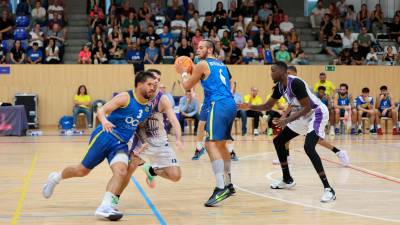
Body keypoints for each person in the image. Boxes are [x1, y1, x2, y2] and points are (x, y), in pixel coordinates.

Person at [42, 71, 157, 221]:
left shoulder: (148, 107)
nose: (152, 88)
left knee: (121, 172)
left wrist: (141, 143)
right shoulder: (125, 97)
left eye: (154, 85)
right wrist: (104, 121)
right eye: (149, 84)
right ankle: (55, 178)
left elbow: (136, 126)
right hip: (105, 136)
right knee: (82, 171)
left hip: (120, 144)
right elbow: (101, 111)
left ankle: (105, 206)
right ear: (139, 84)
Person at [238, 62, 336, 202]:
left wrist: (286, 120)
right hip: (302, 116)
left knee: (308, 147)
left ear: (283, 72)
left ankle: (329, 189)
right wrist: (248, 106)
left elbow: (307, 107)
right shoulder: (279, 87)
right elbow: (267, 106)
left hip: (316, 113)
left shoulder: (296, 83)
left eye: (273, 70)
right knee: (278, 141)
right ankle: (287, 179)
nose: (271, 73)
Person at [177, 39, 237, 207]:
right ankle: (229, 184)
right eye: (197, 47)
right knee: (222, 145)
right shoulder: (221, 64)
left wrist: (183, 72)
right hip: (230, 104)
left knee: (210, 144)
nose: (198, 50)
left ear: (210, 49)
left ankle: (220, 188)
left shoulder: (203, 64)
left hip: (217, 104)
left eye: (201, 47)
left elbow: (187, 86)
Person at [120, 69, 183, 191]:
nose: (156, 82)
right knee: (128, 171)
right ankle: (114, 198)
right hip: (141, 142)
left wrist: (179, 139)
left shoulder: (162, 98)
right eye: (153, 79)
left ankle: (151, 170)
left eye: (158, 80)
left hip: (160, 141)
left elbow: (174, 121)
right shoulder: (136, 96)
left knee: (176, 176)